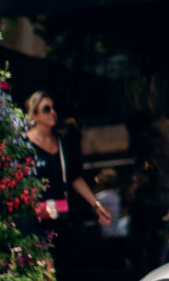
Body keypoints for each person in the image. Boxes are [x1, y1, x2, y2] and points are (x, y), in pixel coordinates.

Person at [23, 92, 113, 237]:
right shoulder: (24, 144)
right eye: (46, 109)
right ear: (34, 115)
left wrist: (96, 204)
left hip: (59, 215)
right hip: (34, 218)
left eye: (53, 109)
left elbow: (75, 177)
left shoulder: (61, 141)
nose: (52, 113)